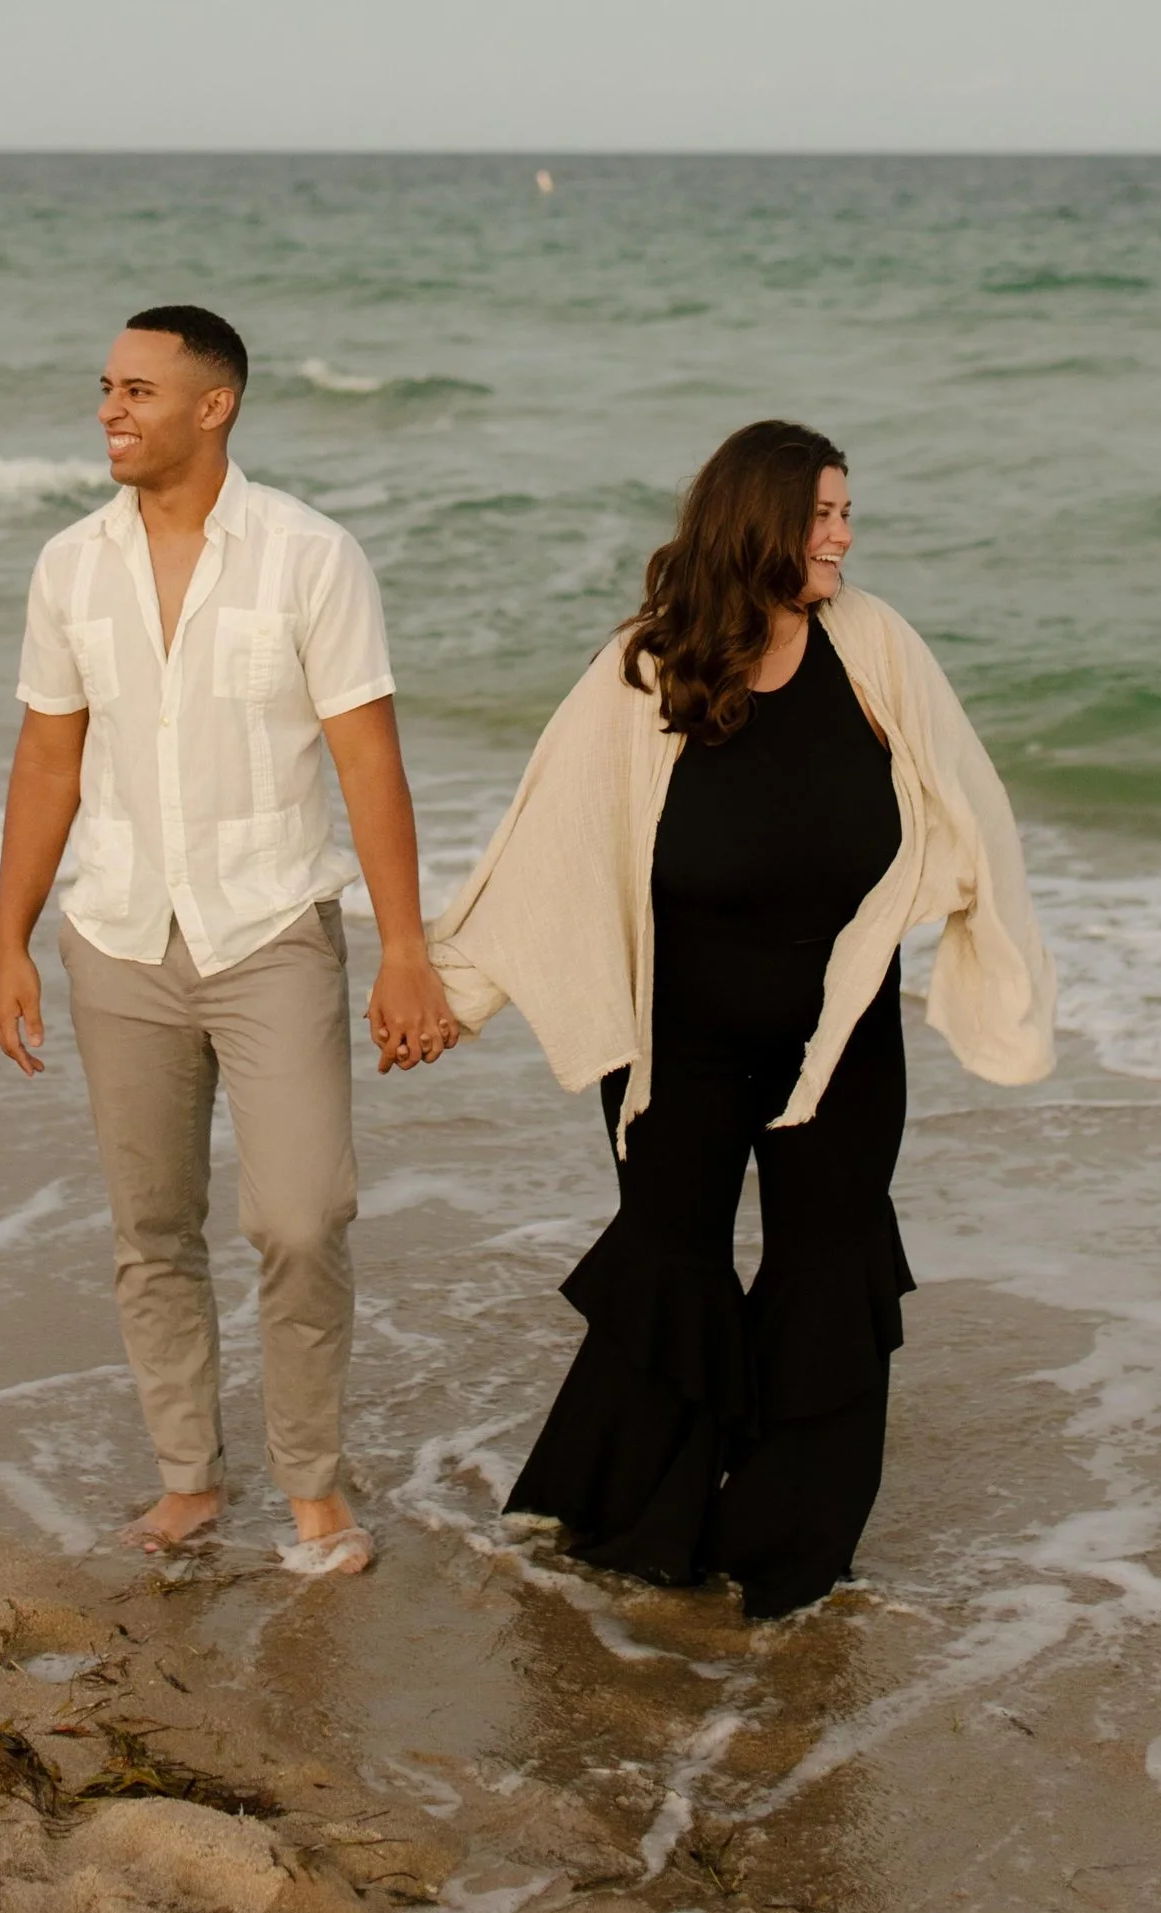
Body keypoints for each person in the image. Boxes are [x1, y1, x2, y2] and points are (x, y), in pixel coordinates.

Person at [417, 419, 1053, 1620]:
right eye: (822, 516)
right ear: (755, 519)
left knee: (831, 1268)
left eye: (847, 516)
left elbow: (969, 803)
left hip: (841, 1032)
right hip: (680, 1043)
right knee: (673, 1262)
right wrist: (450, 997)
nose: (842, 539)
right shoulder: (644, 665)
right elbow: (548, 840)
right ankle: (630, 1525)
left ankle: (785, 1546)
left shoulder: (876, 648)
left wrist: (998, 959)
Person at [0, 304, 458, 1573]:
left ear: (215, 405)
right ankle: (188, 1480)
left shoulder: (310, 556)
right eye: (103, 387)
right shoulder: (69, 566)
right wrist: (8, 939)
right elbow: (47, 759)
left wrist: (404, 949)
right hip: (120, 933)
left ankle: (312, 1489)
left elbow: (370, 763)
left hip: (271, 929)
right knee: (152, 1227)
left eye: (137, 390)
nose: (109, 411)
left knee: (303, 1216)